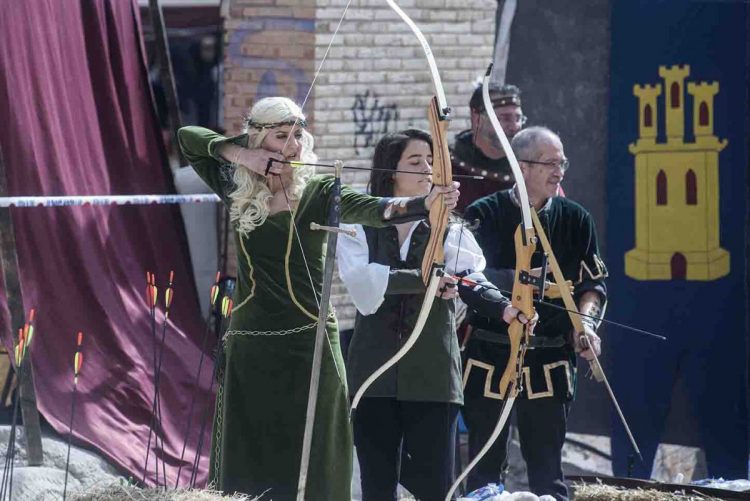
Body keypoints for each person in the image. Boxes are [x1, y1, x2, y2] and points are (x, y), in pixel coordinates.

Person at [177, 97, 460, 500]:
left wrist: (424, 204)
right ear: (258, 137)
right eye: (280, 137)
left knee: (317, 448)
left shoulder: (319, 187)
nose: (292, 146)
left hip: (309, 340)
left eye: (297, 135)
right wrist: (244, 156)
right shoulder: (234, 181)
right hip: (251, 338)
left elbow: (375, 209)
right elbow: (188, 138)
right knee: (250, 446)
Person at [337, 129, 531, 501]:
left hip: (434, 373)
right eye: (415, 161)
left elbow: (471, 277)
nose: (427, 168)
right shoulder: (357, 221)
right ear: (390, 171)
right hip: (374, 371)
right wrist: (428, 280)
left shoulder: (449, 227)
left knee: (434, 488)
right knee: (377, 487)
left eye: (431, 160)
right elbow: (362, 287)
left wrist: (507, 308)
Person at [461, 127, 607, 501]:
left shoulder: (576, 219)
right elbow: (467, 277)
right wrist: (519, 280)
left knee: (548, 474)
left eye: (562, 162)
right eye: (550, 163)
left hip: (550, 358)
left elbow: (593, 287)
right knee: (483, 472)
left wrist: (585, 325)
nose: (559, 171)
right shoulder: (484, 214)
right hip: (491, 355)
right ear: (521, 166)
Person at [451, 83, 526, 212]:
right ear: (477, 118)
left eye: (518, 118)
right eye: (505, 118)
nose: (514, 127)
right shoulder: (447, 166)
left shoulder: (531, 166)